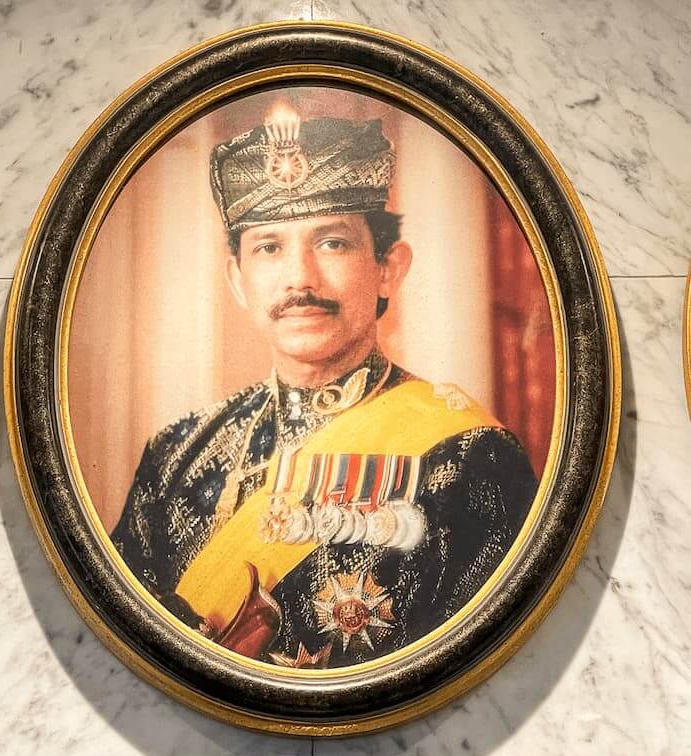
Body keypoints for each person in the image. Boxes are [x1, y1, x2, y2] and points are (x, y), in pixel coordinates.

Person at [112, 102, 537, 668]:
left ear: (389, 266)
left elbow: (486, 673)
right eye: (269, 247)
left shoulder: (471, 458)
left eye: (332, 243)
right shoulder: (174, 457)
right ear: (238, 279)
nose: (299, 279)